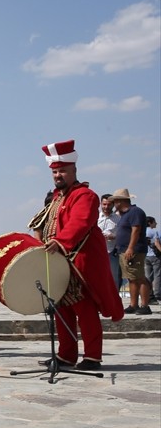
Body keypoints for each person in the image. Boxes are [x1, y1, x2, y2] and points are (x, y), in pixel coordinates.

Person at [34, 140, 124, 370]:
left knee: (84, 310)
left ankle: (93, 356)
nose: (58, 175)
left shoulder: (85, 195)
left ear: (74, 170)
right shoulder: (57, 198)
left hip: (78, 262)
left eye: (62, 171)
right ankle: (66, 355)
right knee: (61, 310)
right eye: (55, 172)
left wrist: (59, 241)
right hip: (59, 263)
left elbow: (80, 222)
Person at [112, 188, 150, 314]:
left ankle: (145, 305)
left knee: (139, 277)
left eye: (115, 201)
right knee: (131, 278)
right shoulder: (126, 214)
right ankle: (133, 305)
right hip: (125, 250)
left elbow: (136, 230)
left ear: (120, 201)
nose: (114, 204)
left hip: (134, 251)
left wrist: (131, 247)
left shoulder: (135, 212)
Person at [97, 194, 121, 291]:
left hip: (112, 252)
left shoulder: (118, 219)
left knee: (113, 277)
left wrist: (114, 237)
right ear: (101, 204)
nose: (106, 207)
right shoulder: (95, 217)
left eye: (109, 204)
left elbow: (123, 235)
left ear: (113, 205)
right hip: (97, 251)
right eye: (104, 204)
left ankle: (114, 297)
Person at [146, 216, 160, 307]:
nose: (156, 224)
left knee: (148, 277)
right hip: (155, 256)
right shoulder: (153, 232)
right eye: (154, 222)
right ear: (150, 223)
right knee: (157, 276)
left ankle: (148, 294)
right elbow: (156, 243)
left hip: (145, 256)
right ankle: (157, 295)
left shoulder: (142, 231)